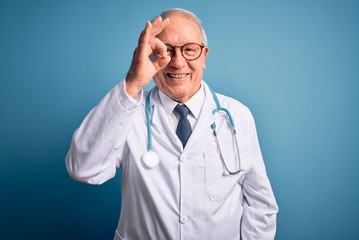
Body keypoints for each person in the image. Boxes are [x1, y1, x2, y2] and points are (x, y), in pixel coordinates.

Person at [66, 8, 278, 240]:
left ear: (204, 55)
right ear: (149, 55)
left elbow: (260, 204)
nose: (177, 63)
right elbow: (83, 168)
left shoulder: (237, 116)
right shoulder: (128, 112)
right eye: (165, 50)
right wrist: (132, 82)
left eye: (189, 50)